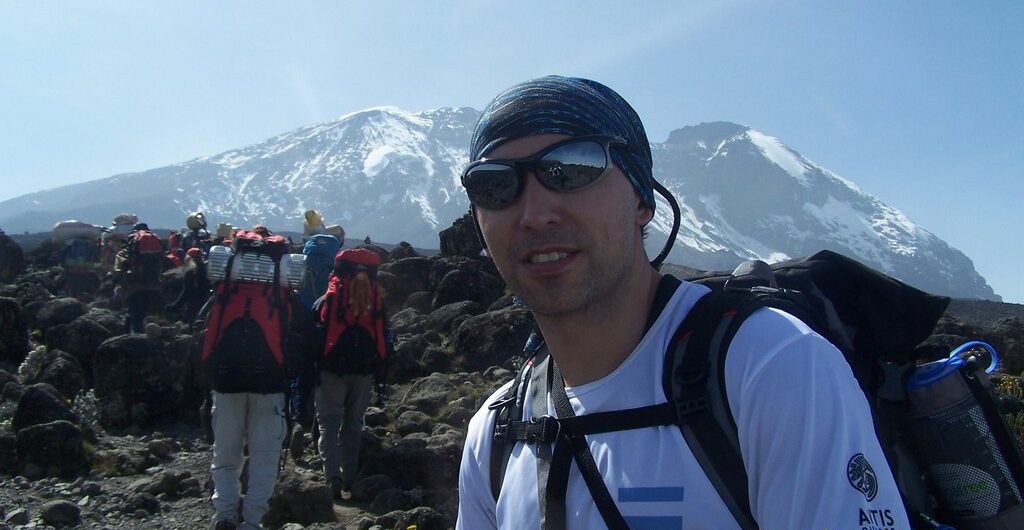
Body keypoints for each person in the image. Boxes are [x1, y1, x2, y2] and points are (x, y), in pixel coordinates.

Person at [454, 76, 910, 530]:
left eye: (572, 169)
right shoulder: (495, 436)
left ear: (641, 199)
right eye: (495, 185)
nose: (535, 214)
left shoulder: (772, 368)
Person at [197, 227, 314, 530]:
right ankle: (253, 521)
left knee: (225, 456)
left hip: (225, 386)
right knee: (264, 459)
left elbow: (202, 330)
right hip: (270, 388)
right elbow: (307, 337)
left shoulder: (227, 291)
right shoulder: (283, 296)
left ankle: (224, 516)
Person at [310, 247, 388, 501]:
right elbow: (385, 337)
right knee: (353, 425)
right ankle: (350, 478)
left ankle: (332, 476)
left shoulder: (330, 299)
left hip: (330, 369)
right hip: (363, 371)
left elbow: (314, 333)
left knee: (328, 425)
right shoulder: (375, 301)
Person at [113, 222, 164, 333]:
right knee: (147, 313)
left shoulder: (128, 248)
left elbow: (119, 269)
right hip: (154, 285)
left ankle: (134, 337)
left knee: (135, 314)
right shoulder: (155, 244)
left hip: (134, 286)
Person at [167, 247, 212, 324]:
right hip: (206, 305)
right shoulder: (207, 270)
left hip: (194, 307)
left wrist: (175, 306)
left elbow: (186, 292)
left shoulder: (190, 273)